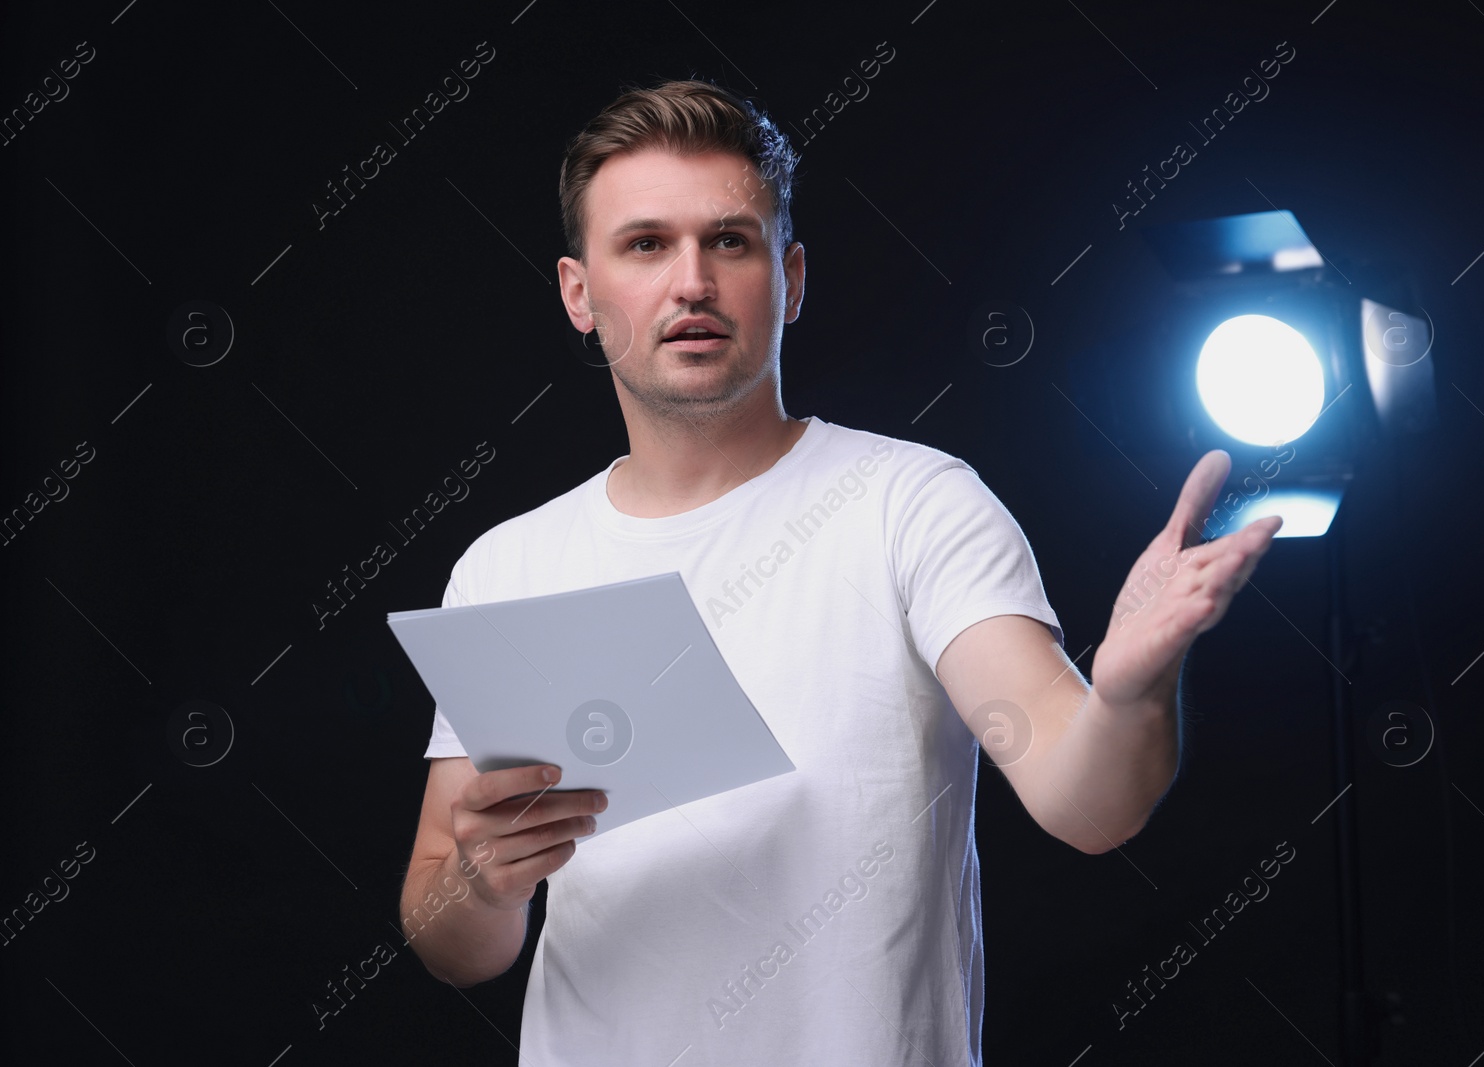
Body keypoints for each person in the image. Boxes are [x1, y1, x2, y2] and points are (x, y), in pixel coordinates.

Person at [399, 78, 1280, 1065]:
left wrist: (1130, 691)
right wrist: (480, 883)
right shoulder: (510, 565)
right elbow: (451, 937)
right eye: (645, 244)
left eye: (728, 240)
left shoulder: (912, 505)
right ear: (578, 292)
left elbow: (1088, 802)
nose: (691, 281)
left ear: (793, 276)